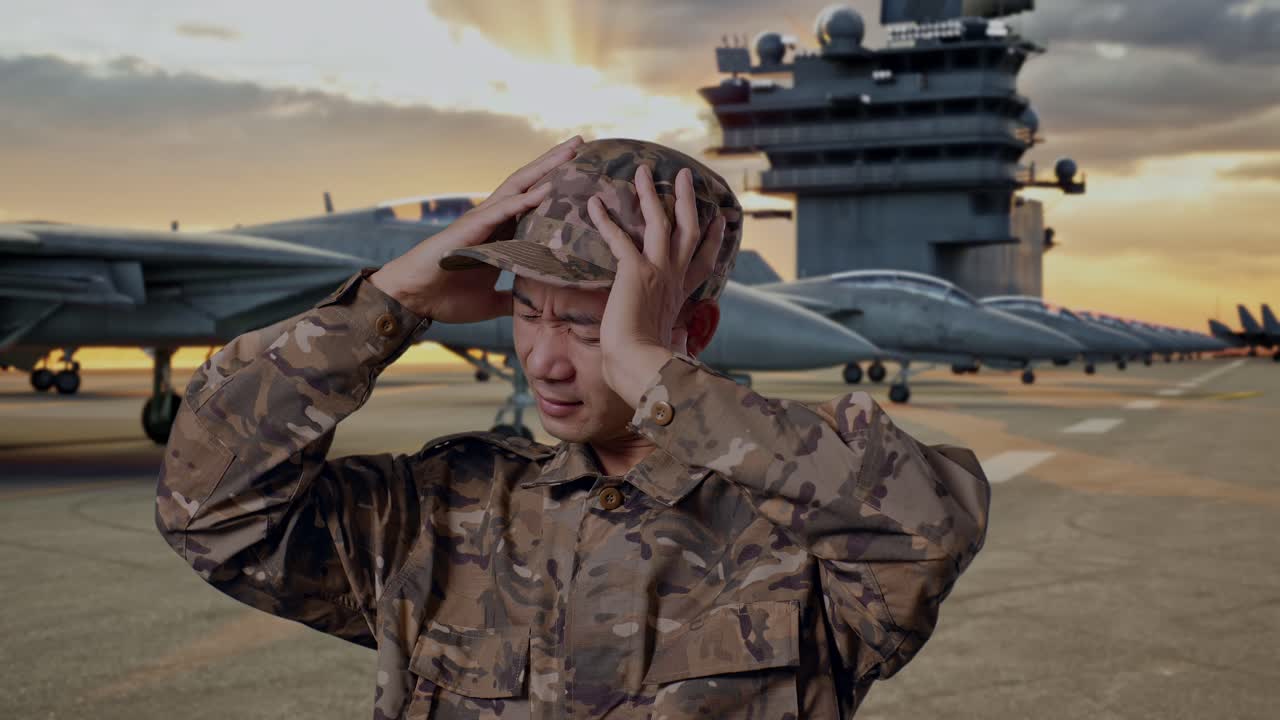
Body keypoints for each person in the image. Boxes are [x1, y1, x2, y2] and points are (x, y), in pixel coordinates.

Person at [155, 136, 990, 719]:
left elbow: (925, 527)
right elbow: (211, 509)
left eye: (589, 329)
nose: (544, 361)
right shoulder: (444, 512)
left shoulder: (788, 534)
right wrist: (387, 306)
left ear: (689, 332)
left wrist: (653, 372)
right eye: (527, 314)